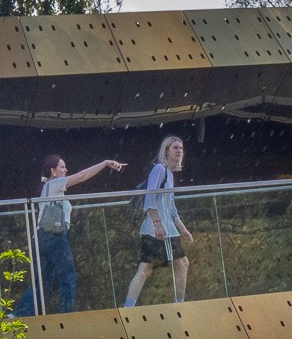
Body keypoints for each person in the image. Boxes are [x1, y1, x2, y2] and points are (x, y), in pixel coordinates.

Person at [12, 153, 125, 315]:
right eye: (62, 167)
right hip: (54, 236)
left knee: (43, 282)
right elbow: (81, 176)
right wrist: (105, 163)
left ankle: (19, 315)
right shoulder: (54, 184)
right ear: (53, 171)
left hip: (41, 238)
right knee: (68, 277)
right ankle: (67, 314)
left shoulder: (49, 189)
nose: (66, 170)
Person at [124, 135, 194, 306]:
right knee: (180, 264)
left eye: (181, 148)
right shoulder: (159, 170)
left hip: (166, 228)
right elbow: (150, 198)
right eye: (175, 148)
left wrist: (183, 229)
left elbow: (170, 207)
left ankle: (128, 307)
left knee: (145, 269)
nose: (179, 151)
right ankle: (179, 304)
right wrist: (157, 224)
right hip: (159, 229)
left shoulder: (169, 174)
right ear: (166, 151)